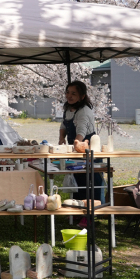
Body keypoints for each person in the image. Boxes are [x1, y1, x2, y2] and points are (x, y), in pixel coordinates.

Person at [58, 81, 105, 218]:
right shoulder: (68, 109)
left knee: (90, 182)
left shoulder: (84, 111)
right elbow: (63, 125)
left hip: (88, 149)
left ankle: (91, 214)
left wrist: (77, 144)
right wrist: (62, 139)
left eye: (74, 93)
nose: (69, 96)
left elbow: (82, 131)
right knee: (78, 181)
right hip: (76, 149)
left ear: (82, 96)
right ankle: (77, 212)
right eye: (68, 92)